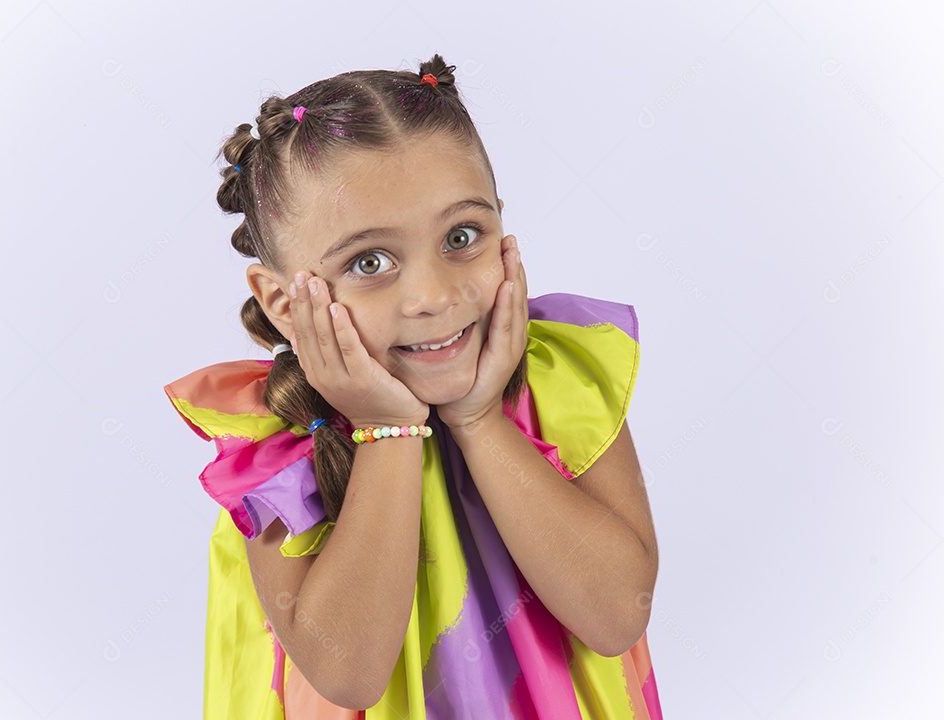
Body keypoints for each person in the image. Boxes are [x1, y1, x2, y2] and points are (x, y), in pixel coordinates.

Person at [163, 53, 663, 718]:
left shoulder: (558, 379)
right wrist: (389, 431)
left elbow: (614, 617)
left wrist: (481, 420)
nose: (433, 295)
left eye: (462, 235)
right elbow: (348, 673)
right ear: (284, 303)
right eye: (370, 261)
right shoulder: (279, 447)